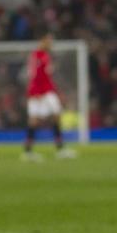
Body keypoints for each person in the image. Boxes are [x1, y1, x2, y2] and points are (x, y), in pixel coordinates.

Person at [22, 33, 76, 161]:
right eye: (49, 41)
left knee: (55, 115)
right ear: (42, 41)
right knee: (36, 119)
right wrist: (35, 92)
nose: (51, 44)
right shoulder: (37, 56)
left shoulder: (45, 56)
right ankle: (29, 152)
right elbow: (34, 75)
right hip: (40, 92)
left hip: (46, 91)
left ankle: (59, 149)